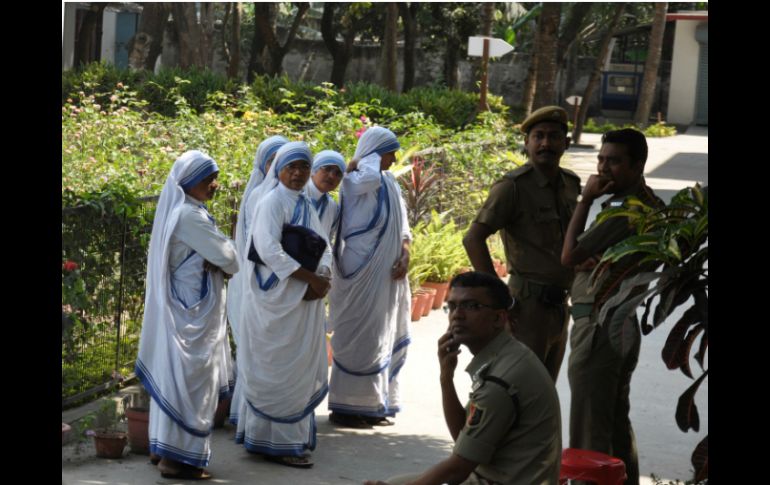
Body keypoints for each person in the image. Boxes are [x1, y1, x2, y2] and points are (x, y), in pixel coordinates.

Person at [364, 271, 561, 485]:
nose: (457, 315)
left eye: (471, 306)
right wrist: (446, 377)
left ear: (498, 318)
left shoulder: (501, 381)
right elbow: (463, 437)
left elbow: (457, 470)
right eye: (453, 306)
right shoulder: (506, 355)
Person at [561, 128, 664, 485]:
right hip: (619, 324)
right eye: (601, 159)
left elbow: (569, 255)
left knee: (590, 432)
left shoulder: (624, 211)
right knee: (615, 424)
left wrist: (585, 200)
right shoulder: (649, 202)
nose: (604, 169)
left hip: (599, 328)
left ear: (638, 165)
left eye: (615, 161)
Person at [136, 150, 239, 480]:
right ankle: (176, 460)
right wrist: (223, 258)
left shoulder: (190, 212)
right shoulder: (188, 217)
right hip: (191, 318)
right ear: (189, 182)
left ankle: (164, 451)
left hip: (189, 312)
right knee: (192, 386)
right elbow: (231, 259)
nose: (214, 185)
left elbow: (224, 258)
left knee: (181, 382)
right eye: (208, 179)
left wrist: (221, 258)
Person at [463, 105, 581, 382]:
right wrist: (498, 299)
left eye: (553, 136)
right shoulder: (512, 187)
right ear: (526, 143)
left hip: (559, 307)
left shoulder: (571, 184)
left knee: (543, 394)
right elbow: (473, 238)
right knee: (517, 389)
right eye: (538, 136)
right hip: (525, 309)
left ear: (566, 143)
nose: (545, 143)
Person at [233, 141, 332, 468]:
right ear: (279, 169)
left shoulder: (304, 202)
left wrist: (325, 275)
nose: (299, 173)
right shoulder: (271, 201)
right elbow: (267, 249)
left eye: (304, 167)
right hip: (275, 300)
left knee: (295, 369)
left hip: (301, 299)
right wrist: (309, 278)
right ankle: (276, 444)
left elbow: (324, 245)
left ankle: (284, 440)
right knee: (272, 367)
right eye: (292, 167)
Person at [327, 126, 411, 429]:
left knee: (380, 334)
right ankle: (346, 408)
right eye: (388, 152)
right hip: (360, 270)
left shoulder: (390, 181)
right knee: (360, 337)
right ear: (374, 154)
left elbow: (402, 221)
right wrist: (365, 159)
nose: (393, 158)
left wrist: (405, 251)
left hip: (387, 274)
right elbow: (370, 177)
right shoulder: (354, 180)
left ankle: (372, 404)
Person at [227, 135, 288, 426]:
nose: (278, 166)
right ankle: (251, 416)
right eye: (272, 160)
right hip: (260, 285)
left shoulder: (291, 196)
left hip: (285, 286)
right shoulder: (261, 196)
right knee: (258, 350)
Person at [306, 149, 346, 239]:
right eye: (327, 169)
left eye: (338, 173)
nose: (332, 176)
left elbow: (328, 240)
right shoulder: (295, 194)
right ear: (313, 170)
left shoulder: (332, 207)